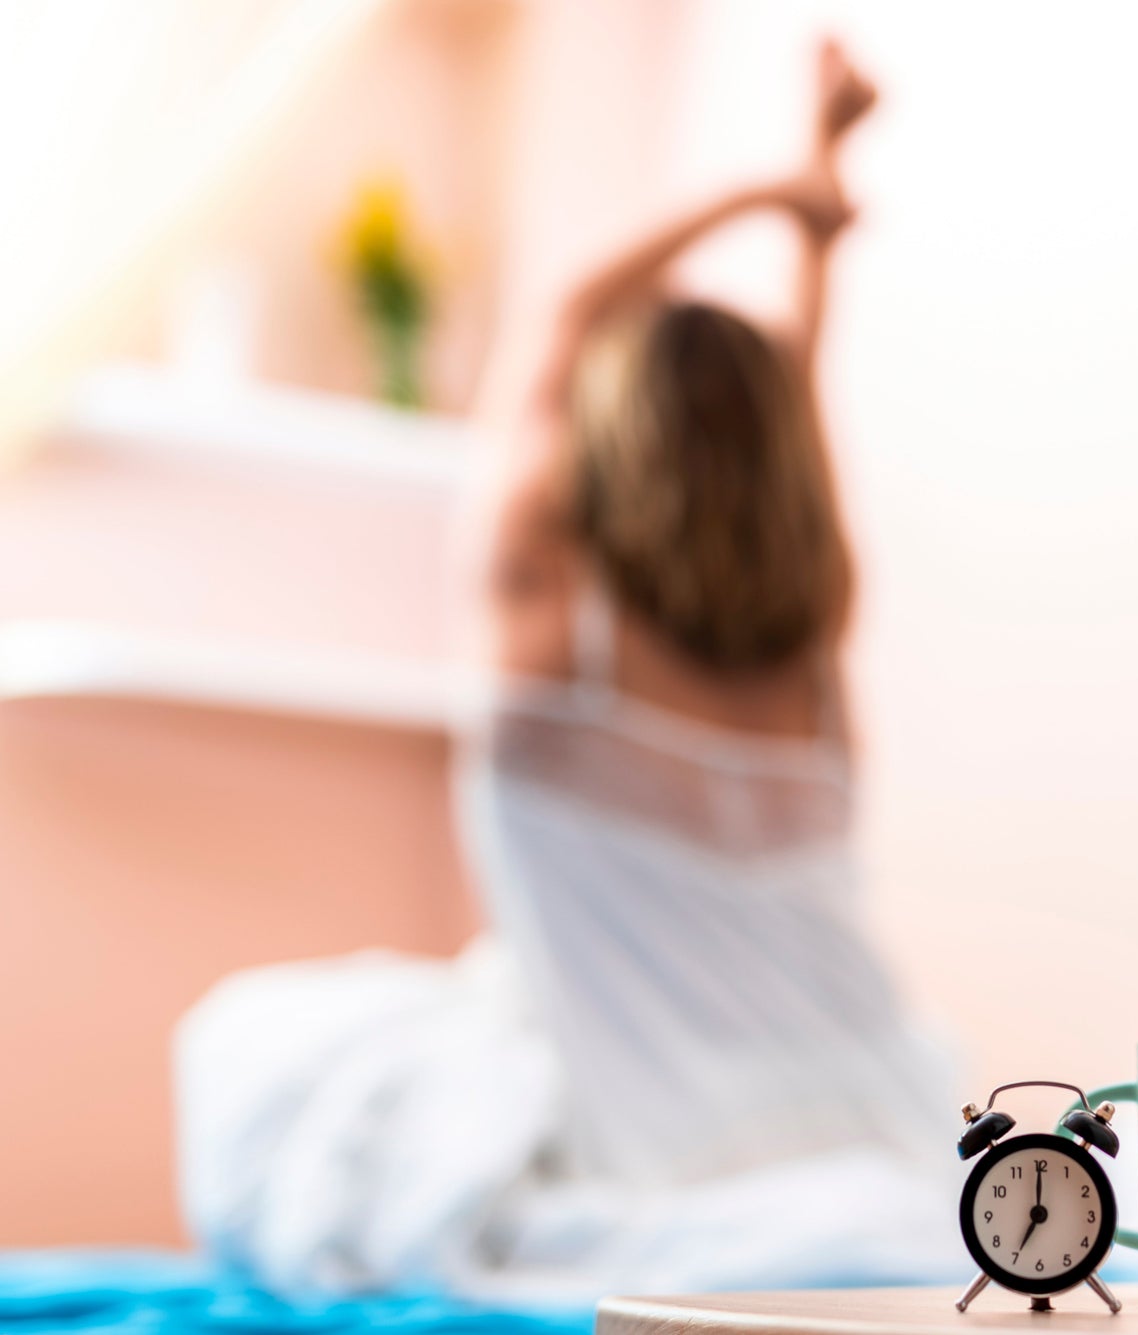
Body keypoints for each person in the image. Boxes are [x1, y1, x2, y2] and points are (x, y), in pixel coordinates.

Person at [175, 43, 959, 1300]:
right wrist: (820, 212)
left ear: (614, 430)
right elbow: (790, 412)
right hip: (873, 1129)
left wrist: (775, 191)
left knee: (253, 1049)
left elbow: (561, 314)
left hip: (663, 1159)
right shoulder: (808, 671)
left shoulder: (548, 632)